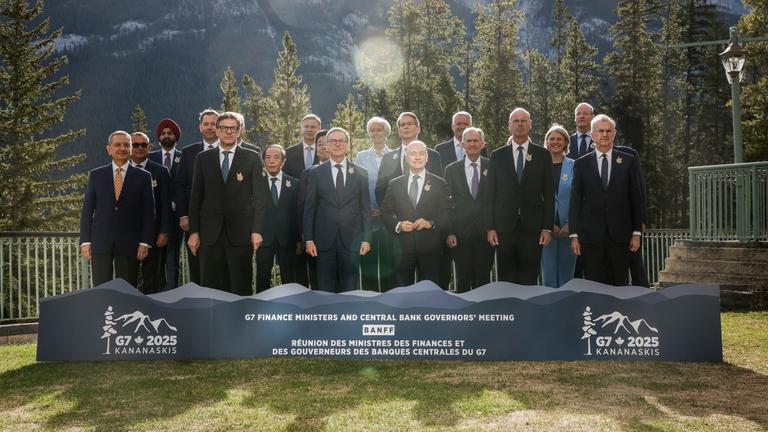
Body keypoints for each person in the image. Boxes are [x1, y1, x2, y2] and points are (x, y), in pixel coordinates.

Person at [187, 112, 266, 295]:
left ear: (239, 131)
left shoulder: (252, 157)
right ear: (217, 130)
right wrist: (194, 232)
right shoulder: (203, 158)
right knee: (211, 288)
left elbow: (260, 199)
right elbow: (195, 198)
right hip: (209, 235)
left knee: (240, 286)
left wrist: (256, 231)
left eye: (233, 128)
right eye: (224, 128)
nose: (228, 132)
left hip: (240, 234)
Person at [569, 114, 643, 286]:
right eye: (600, 131)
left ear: (614, 134)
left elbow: (636, 198)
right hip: (590, 236)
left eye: (609, 131)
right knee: (593, 284)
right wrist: (574, 235)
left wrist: (636, 233)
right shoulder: (581, 163)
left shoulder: (628, 161)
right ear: (593, 135)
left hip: (620, 236)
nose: (605, 134)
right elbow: (575, 201)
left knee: (620, 283)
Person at [485, 108, 554, 285]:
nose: (519, 124)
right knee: (506, 280)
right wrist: (490, 228)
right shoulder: (497, 156)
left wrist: (547, 228)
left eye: (523, 121)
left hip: (533, 229)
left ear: (530, 124)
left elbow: (548, 194)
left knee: (529, 278)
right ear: (509, 125)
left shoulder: (543, 155)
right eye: (515, 121)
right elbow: (490, 195)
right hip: (504, 229)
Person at [80, 131, 154, 287]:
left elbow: (149, 213)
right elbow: (87, 210)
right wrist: (85, 241)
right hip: (100, 242)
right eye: (117, 145)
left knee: (127, 290)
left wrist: (145, 242)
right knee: (101, 290)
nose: (122, 148)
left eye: (126, 145)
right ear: (109, 149)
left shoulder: (144, 177)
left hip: (130, 243)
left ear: (131, 149)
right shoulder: (96, 175)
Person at [303, 127, 372, 292]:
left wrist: (367, 238)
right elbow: (309, 208)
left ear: (348, 144)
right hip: (323, 241)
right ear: (327, 145)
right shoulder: (316, 173)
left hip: (352, 241)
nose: (337, 144)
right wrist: (309, 239)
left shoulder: (361, 172)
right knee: (324, 289)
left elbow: (365, 208)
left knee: (350, 289)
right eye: (333, 141)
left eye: (341, 141)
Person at [382, 141, 451, 288]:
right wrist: (398, 225)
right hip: (402, 248)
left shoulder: (440, 183)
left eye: (421, 154)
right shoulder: (395, 184)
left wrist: (430, 223)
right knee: (402, 293)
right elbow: (385, 213)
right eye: (413, 154)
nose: (417, 157)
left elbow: (447, 214)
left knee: (429, 293)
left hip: (430, 248)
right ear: (406, 158)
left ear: (427, 158)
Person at [444, 128, 493, 292]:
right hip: (460, 234)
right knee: (463, 280)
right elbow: (446, 204)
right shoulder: (451, 169)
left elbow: (497, 200)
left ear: (482, 143)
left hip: (486, 233)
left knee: (484, 280)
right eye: (469, 141)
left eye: (476, 140)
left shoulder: (492, 166)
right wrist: (450, 232)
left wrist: (493, 229)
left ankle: (483, 307)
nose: (472, 144)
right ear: (463, 144)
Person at [175, 108, 220, 285]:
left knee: (221, 268)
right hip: (195, 220)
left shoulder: (228, 152)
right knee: (197, 268)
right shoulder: (188, 152)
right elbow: (179, 185)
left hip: (223, 221)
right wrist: (183, 215)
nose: (209, 127)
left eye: (213, 124)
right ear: (200, 127)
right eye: (206, 124)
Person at [354, 117, 395, 291]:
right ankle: (370, 301)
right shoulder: (361, 156)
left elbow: (397, 187)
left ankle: (389, 300)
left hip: (389, 220)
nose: (376, 133)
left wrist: (384, 209)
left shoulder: (395, 155)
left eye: (379, 129)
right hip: (368, 218)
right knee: (368, 265)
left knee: (389, 264)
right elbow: (358, 186)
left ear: (386, 132)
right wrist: (367, 209)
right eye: (372, 130)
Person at [130, 132, 172, 294]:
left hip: (154, 233)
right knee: (128, 275)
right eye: (135, 145)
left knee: (152, 274)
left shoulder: (160, 171)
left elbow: (166, 204)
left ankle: (151, 304)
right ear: (130, 147)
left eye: (144, 145)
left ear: (149, 147)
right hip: (127, 233)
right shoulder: (121, 170)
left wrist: (164, 231)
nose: (140, 148)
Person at [375, 112, 442, 212]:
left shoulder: (433, 156)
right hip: (396, 218)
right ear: (399, 131)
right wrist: (391, 215)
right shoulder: (387, 158)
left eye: (410, 123)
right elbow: (380, 190)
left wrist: (428, 218)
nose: (406, 126)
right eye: (402, 125)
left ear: (418, 129)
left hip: (426, 217)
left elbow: (439, 188)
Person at [256, 145, 300, 293]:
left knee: (290, 280)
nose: (271, 161)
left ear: (283, 161)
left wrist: (298, 239)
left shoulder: (294, 183)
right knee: (262, 278)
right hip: (263, 239)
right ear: (263, 161)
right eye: (268, 158)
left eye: (276, 157)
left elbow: (297, 214)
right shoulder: (256, 182)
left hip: (287, 240)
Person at [540, 124, 576, 288]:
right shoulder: (539, 166)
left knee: (567, 276)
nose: (555, 142)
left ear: (566, 142)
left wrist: (571, 224)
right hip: (545, 229)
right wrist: (548, 225)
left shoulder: (575, 165)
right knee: (548, 276)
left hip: (568, 228)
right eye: (552, 139)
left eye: (559, 139)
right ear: (546, 142)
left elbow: (579, 198)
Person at [149, 118, 183, 289]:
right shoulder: (150, 158)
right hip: (155, 218)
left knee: (172, 259)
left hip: (177, 218)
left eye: (170, 133)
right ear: (159, 137)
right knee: (154, 260)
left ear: (176, 136)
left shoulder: (184, 157)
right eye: (163, 133)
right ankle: (156, 294)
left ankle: (172, 293)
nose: (166, 136)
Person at [296, 129, 329, 289]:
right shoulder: (308, 173)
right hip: (315, 236)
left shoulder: (350, 171)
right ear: (315, 148)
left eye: (326, 143)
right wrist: (303, 236)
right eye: (319, 144)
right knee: (317, 280)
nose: (323, 147)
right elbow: (302, 206)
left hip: (343, 237)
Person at [284, 114, 321, 178]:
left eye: (313, 127)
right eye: (306, 126)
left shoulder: (326, 152)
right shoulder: (288, 153)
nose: (309, 130)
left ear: (319, 129)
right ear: (301, 129)